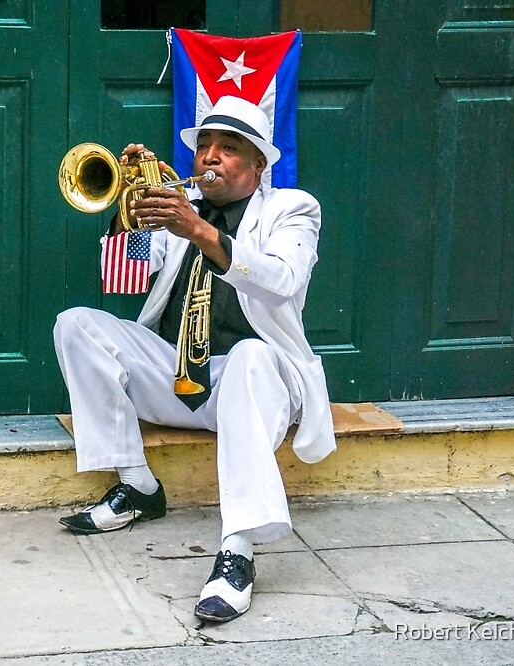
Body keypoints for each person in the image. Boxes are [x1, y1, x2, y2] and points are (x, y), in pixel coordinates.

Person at [53, 95, 336, 623]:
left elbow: (283, 280)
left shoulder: (292, 209)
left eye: (228, 149)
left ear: (258, 166)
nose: (210, 156)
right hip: (176, 373)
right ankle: (138, 486)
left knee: (252, 353)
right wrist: (129, 216)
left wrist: (203, 232)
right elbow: (129, 277)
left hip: (251, 382)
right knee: (76, 324)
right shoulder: (179, 207)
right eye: (204, 145)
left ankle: (237, 551)